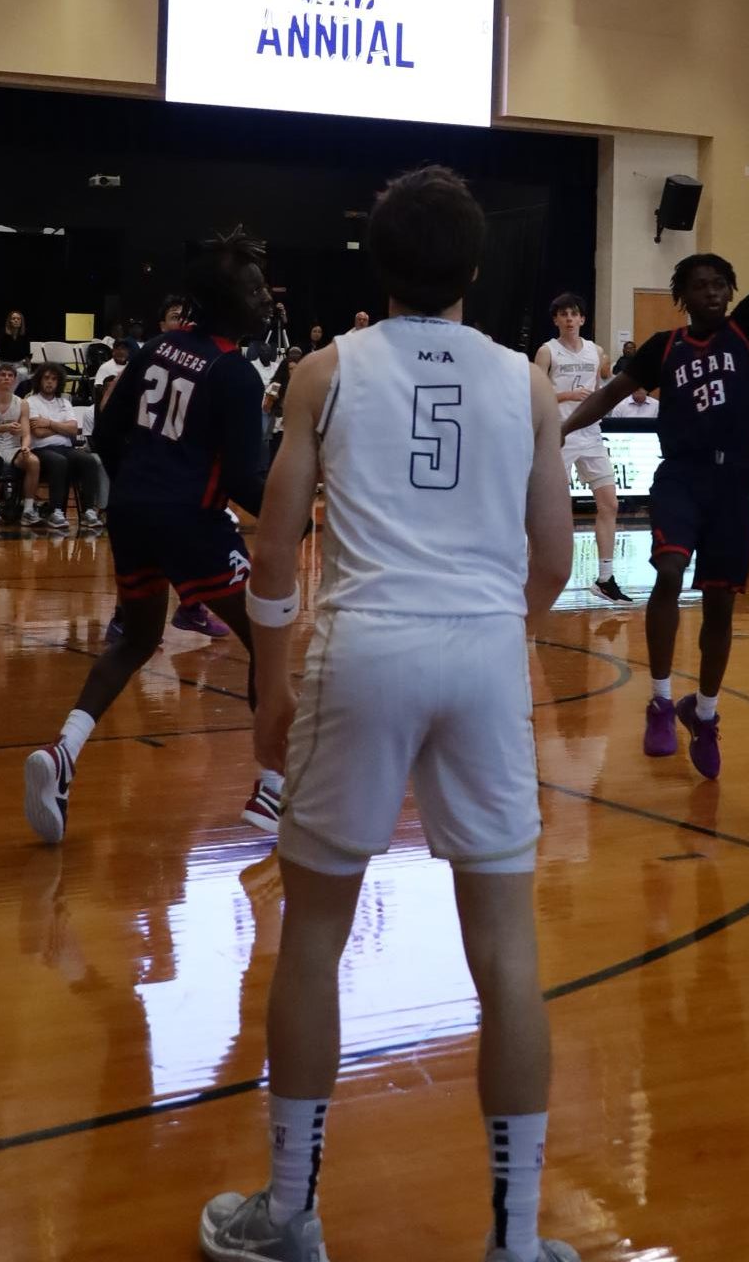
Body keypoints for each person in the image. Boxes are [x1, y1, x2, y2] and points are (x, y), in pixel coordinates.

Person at [198, 165, 575, 1262]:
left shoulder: (324, 370)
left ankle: (288, 1214)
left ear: (377, 264)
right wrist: (490, 636)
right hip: (479, 653)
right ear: (474, 269)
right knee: (505, 951)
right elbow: (551, 561)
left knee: (313, 937)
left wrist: (270, 686)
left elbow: (272, 551)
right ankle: (513, 1242)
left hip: (360, 649)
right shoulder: (527, 381)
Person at [560, 131, 749, 781]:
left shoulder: (748, 328)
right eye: (703, 285)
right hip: (682, 475)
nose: (714, 292)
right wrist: (559, 429)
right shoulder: (664, 346)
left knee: (719, 606)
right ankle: (660, 702)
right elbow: (610, 392)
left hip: (736, 483)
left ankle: (704, 711)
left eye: (722, 284)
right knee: (665, 569)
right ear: (684, 296)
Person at [23, 228, 275, 846]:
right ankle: (274, 787)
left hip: (131, 509)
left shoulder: (159, 348)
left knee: (136, 639)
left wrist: (147, 476)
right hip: (190, 517)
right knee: (268, 640)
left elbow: (105, 435)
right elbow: (245, 480)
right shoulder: (236, 374)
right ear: (226, 303)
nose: (266, 298)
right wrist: (300, 511)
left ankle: (63, 754)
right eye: (255, 288)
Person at [534, 294, 625, 603]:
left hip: (591, 433)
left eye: (574, 314)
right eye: (564, 315)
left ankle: (605, 577)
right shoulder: (547, 352)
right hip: (559, 434)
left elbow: (602, 386)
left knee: (610, 503)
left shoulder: (597, 352)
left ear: (583, 319)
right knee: (549, 509)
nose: (570, 319)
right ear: (556, 320)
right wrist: (567, 396)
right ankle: (536, 570)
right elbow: (535, 394)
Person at [27, 364, 104, 531]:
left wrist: (49, 423)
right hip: (41, 449)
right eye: (46, 378)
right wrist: (62, 428)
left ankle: (89, 511)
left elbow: (74, 430)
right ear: (39, 380)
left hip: (66, 447)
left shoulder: (65, 402)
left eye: (54, 379)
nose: (50, 382)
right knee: (59, 461)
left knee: (89, 460)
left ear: (59, 382)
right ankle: (56, 511)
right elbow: (38, 432)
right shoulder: (31, 402)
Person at [0, 364, 41, 525]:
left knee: (33, 461)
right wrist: (6, 427)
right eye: (2, 375)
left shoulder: (22, 403)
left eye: (10, 375)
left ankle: (28, 510)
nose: (6, 378)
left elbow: (25, 433)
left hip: (12, 447)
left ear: (14, 380)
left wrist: (25, 446)